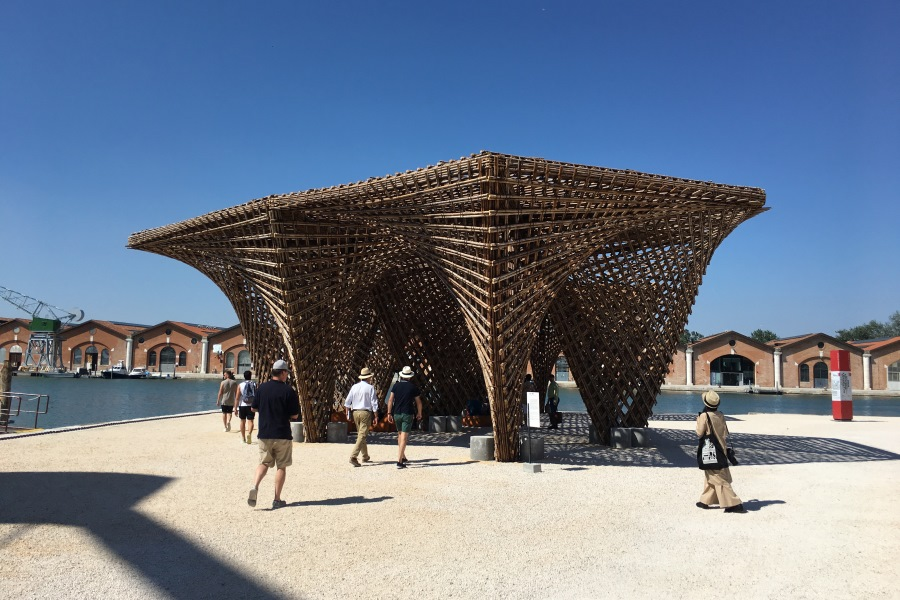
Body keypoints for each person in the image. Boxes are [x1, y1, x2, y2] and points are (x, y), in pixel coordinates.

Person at [248, 359, 300, 510]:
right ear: (282, 373)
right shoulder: (288, 390)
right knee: (281, 466)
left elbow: (253, 408)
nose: (287, 376)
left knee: (264, 463)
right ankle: (277, 499)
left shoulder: (262, 388)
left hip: (264, 432)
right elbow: (295, 415)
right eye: (286, 373)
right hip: (282, 433)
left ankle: (255, 486)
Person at [695, 390, 746, 513]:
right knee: (711, 474)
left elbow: (699, 432)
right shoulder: (720, 415)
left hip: (711, 450)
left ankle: (734, 503)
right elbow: (724, 433)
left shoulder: (704, 416)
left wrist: (699, 419)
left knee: (718, 477)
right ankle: (706, 500)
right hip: (721, 448)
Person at [386, 366, 423, 469]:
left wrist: (389, 413)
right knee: (404, 437)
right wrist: (419, 413)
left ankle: (403, 456)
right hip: (407, 413)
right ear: (410, 377)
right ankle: (399, 461)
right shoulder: (413, 387)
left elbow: (390, 400)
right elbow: (418, 402)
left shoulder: (396, 386)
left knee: (400, 434)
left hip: (396, 413)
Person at [344, 367, 379, 467]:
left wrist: (347, 413)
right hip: (365, 412)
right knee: (362, 435)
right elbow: (374, 403)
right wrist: (376, 415)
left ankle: (365, 456)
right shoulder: (370, 388)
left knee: (361, 434)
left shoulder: (354, 387)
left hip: (355, 412)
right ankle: (353, 456)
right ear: (368, 378)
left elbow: (347, 402)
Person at [235, 370, 257, 444]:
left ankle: (243, 438)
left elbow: (237, 398)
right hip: (251, 405)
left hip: (242, 405)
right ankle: (249, 434)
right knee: (251, 421)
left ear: (244, 376)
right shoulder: (254, 384)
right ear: (251, 376)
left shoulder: (240, 385)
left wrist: (235, 408)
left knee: (242, 421)